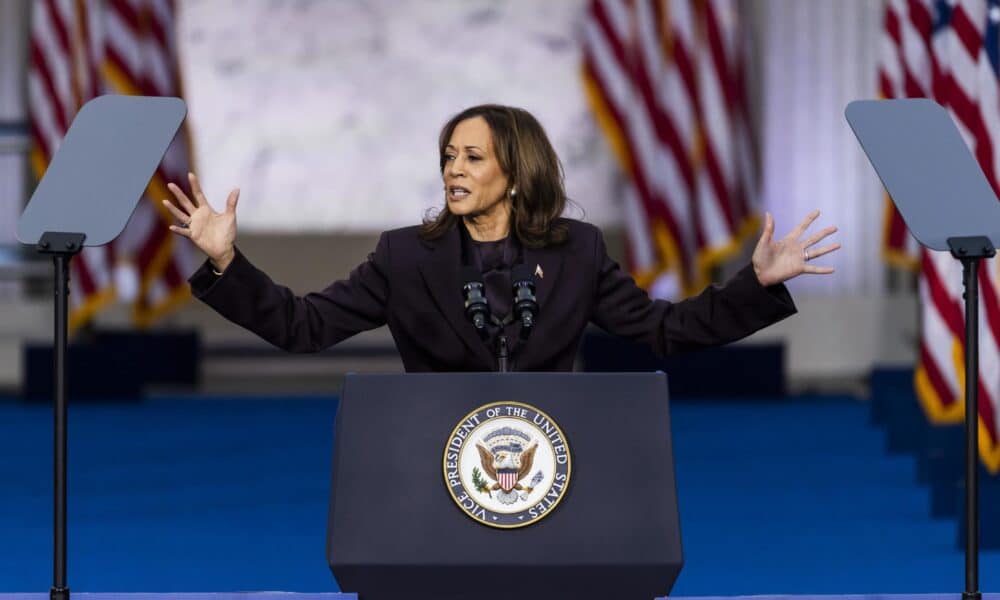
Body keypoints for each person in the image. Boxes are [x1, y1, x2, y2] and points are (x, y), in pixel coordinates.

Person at [164, 104, 839, 372]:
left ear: (516, 173)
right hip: (434, 465)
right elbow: (303, 326)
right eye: (448, 156)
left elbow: (666, 330)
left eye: (473, 157)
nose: (454, 169)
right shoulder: (404, 256)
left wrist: (760, 286)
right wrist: (225, 259)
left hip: (555, 466)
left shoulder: (578, 251)